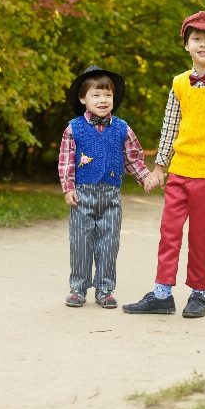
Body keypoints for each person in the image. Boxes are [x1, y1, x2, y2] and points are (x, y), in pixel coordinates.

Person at [122, 11, 205, 318]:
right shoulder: (179, 83)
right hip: (180, 171)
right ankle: (162, 294)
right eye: (196, 39)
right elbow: (170, 128)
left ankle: (199, 294)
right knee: (169, 232)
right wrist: (160, 168)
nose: (202, 45)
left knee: (203, 235)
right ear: (186, 45)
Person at [59, 64, 153, 309]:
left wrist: (146, 178)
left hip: (111, 196)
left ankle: (105, 289)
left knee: (109, 243)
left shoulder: (122, 128)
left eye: (108, 95)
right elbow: (66, 159)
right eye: (96, 95)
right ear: (83, 99)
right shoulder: (74, 128)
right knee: (80, 242)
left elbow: (133, 158)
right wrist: (68, 187)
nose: (103, 100)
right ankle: (78, 288)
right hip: (82, 194)